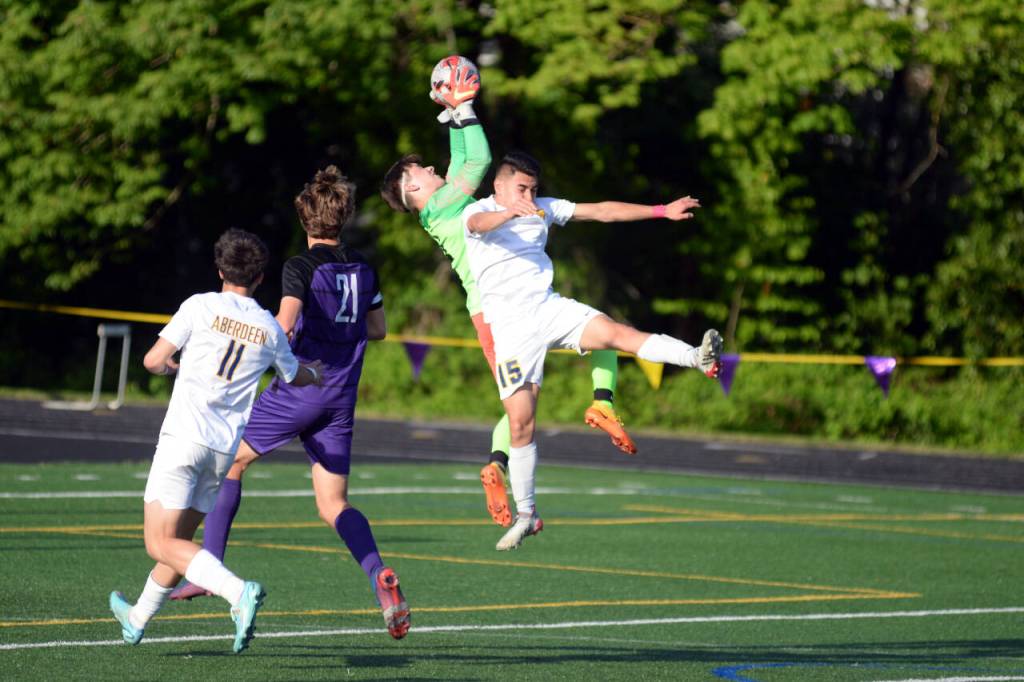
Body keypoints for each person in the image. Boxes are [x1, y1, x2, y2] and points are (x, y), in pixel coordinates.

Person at [380, 57, 636, 531]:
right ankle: (590, 409)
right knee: (525, 402)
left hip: (506, 305)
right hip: (501, 310)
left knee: (530, 394)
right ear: (413, 186)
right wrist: (464, 106)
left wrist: (452, 113)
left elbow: (461, 160)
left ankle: (502, 460)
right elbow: (475, 160)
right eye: (422, 168)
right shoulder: (441, 202)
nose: (433, 166)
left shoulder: (439, 204)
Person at [170, 166, 410, 640]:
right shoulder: (364, 265)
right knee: (334, 503)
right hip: (341, 396)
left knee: (231, 464)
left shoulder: (300, 267)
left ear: (306, 221)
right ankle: (378, 573)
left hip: (301, 387)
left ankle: (205, 568)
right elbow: (378, 329)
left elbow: (282, 327)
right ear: (343, 218)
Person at [461, 151, 723, 551]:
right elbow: (480, 224)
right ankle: (528, 516)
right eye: (521, 188)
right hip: (511, 331)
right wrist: (510, 212)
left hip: (549, 309)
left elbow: (602, 211)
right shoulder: (479, 211)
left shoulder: (543, 209)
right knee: (520, 424)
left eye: (533, 189)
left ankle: (695, 357)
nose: (529, 195)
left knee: (617, 333)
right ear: (499, 184)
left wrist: (661, 210)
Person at [109, 228, 324, 653]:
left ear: (220, 269)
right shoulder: (267, 325)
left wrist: (173, 365)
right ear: (261, 279)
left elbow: (152, 360)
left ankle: (237, 592)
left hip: (183, 437)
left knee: (158, 542)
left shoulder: (200, 305)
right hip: (222, 450)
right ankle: (136, 619)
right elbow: (295, 375)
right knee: (176, 545)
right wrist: (315, 373)